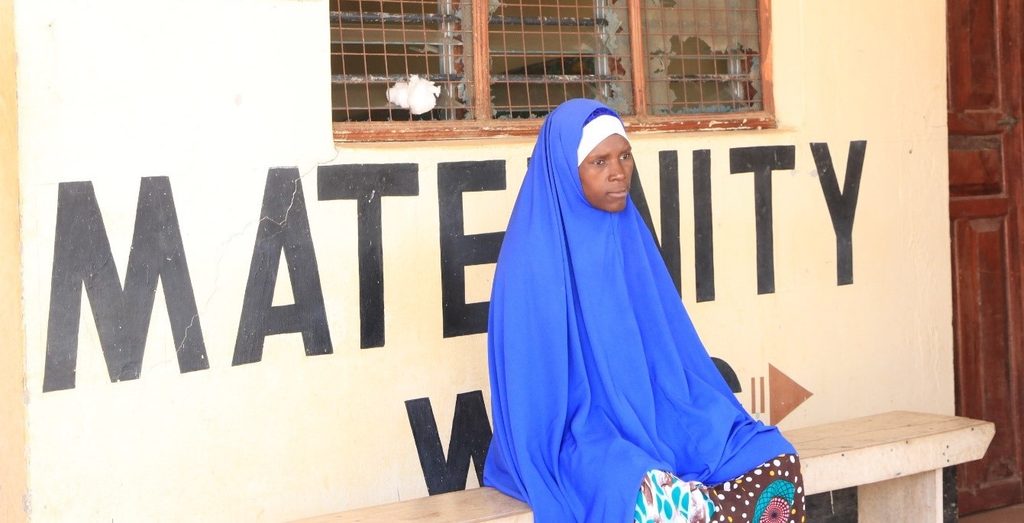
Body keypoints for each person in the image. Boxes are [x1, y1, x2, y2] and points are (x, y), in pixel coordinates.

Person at [483, 98, 806, 523]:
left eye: (624, 156)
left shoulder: (628, 235)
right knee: (651, 499)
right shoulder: (530, 258)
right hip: (579, 436)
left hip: (657, 414)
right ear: (565, 171)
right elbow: (536, 397)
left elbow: (669, 352)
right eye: (598, 162)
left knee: (776, 461)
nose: (618, 172)